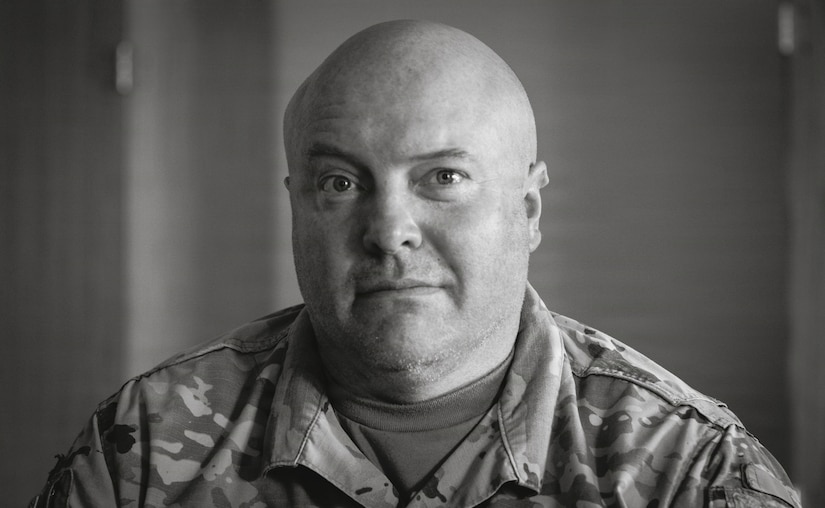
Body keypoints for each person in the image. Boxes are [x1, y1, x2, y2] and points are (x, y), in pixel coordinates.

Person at [31, 20, 800, 508]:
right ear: (296, 204)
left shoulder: (690, 473)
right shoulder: (140, 445)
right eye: (340, 182)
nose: (389, 231)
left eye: (444, 178)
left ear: (527, 211)